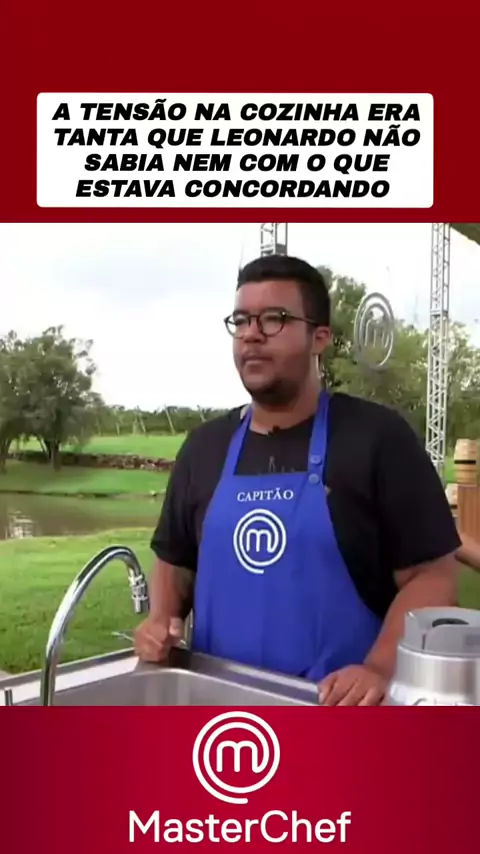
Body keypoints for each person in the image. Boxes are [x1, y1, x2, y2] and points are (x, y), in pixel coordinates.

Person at [134, 254, 460, 706]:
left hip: (338, 711)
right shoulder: (204, 447)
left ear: (319, 338)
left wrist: (379, 668)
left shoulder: (377, 438)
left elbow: (433, 576)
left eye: (275, 319)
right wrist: (160, 620)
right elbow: (175, 562)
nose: (251, 334)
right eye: (242, 320)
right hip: (220, 711)